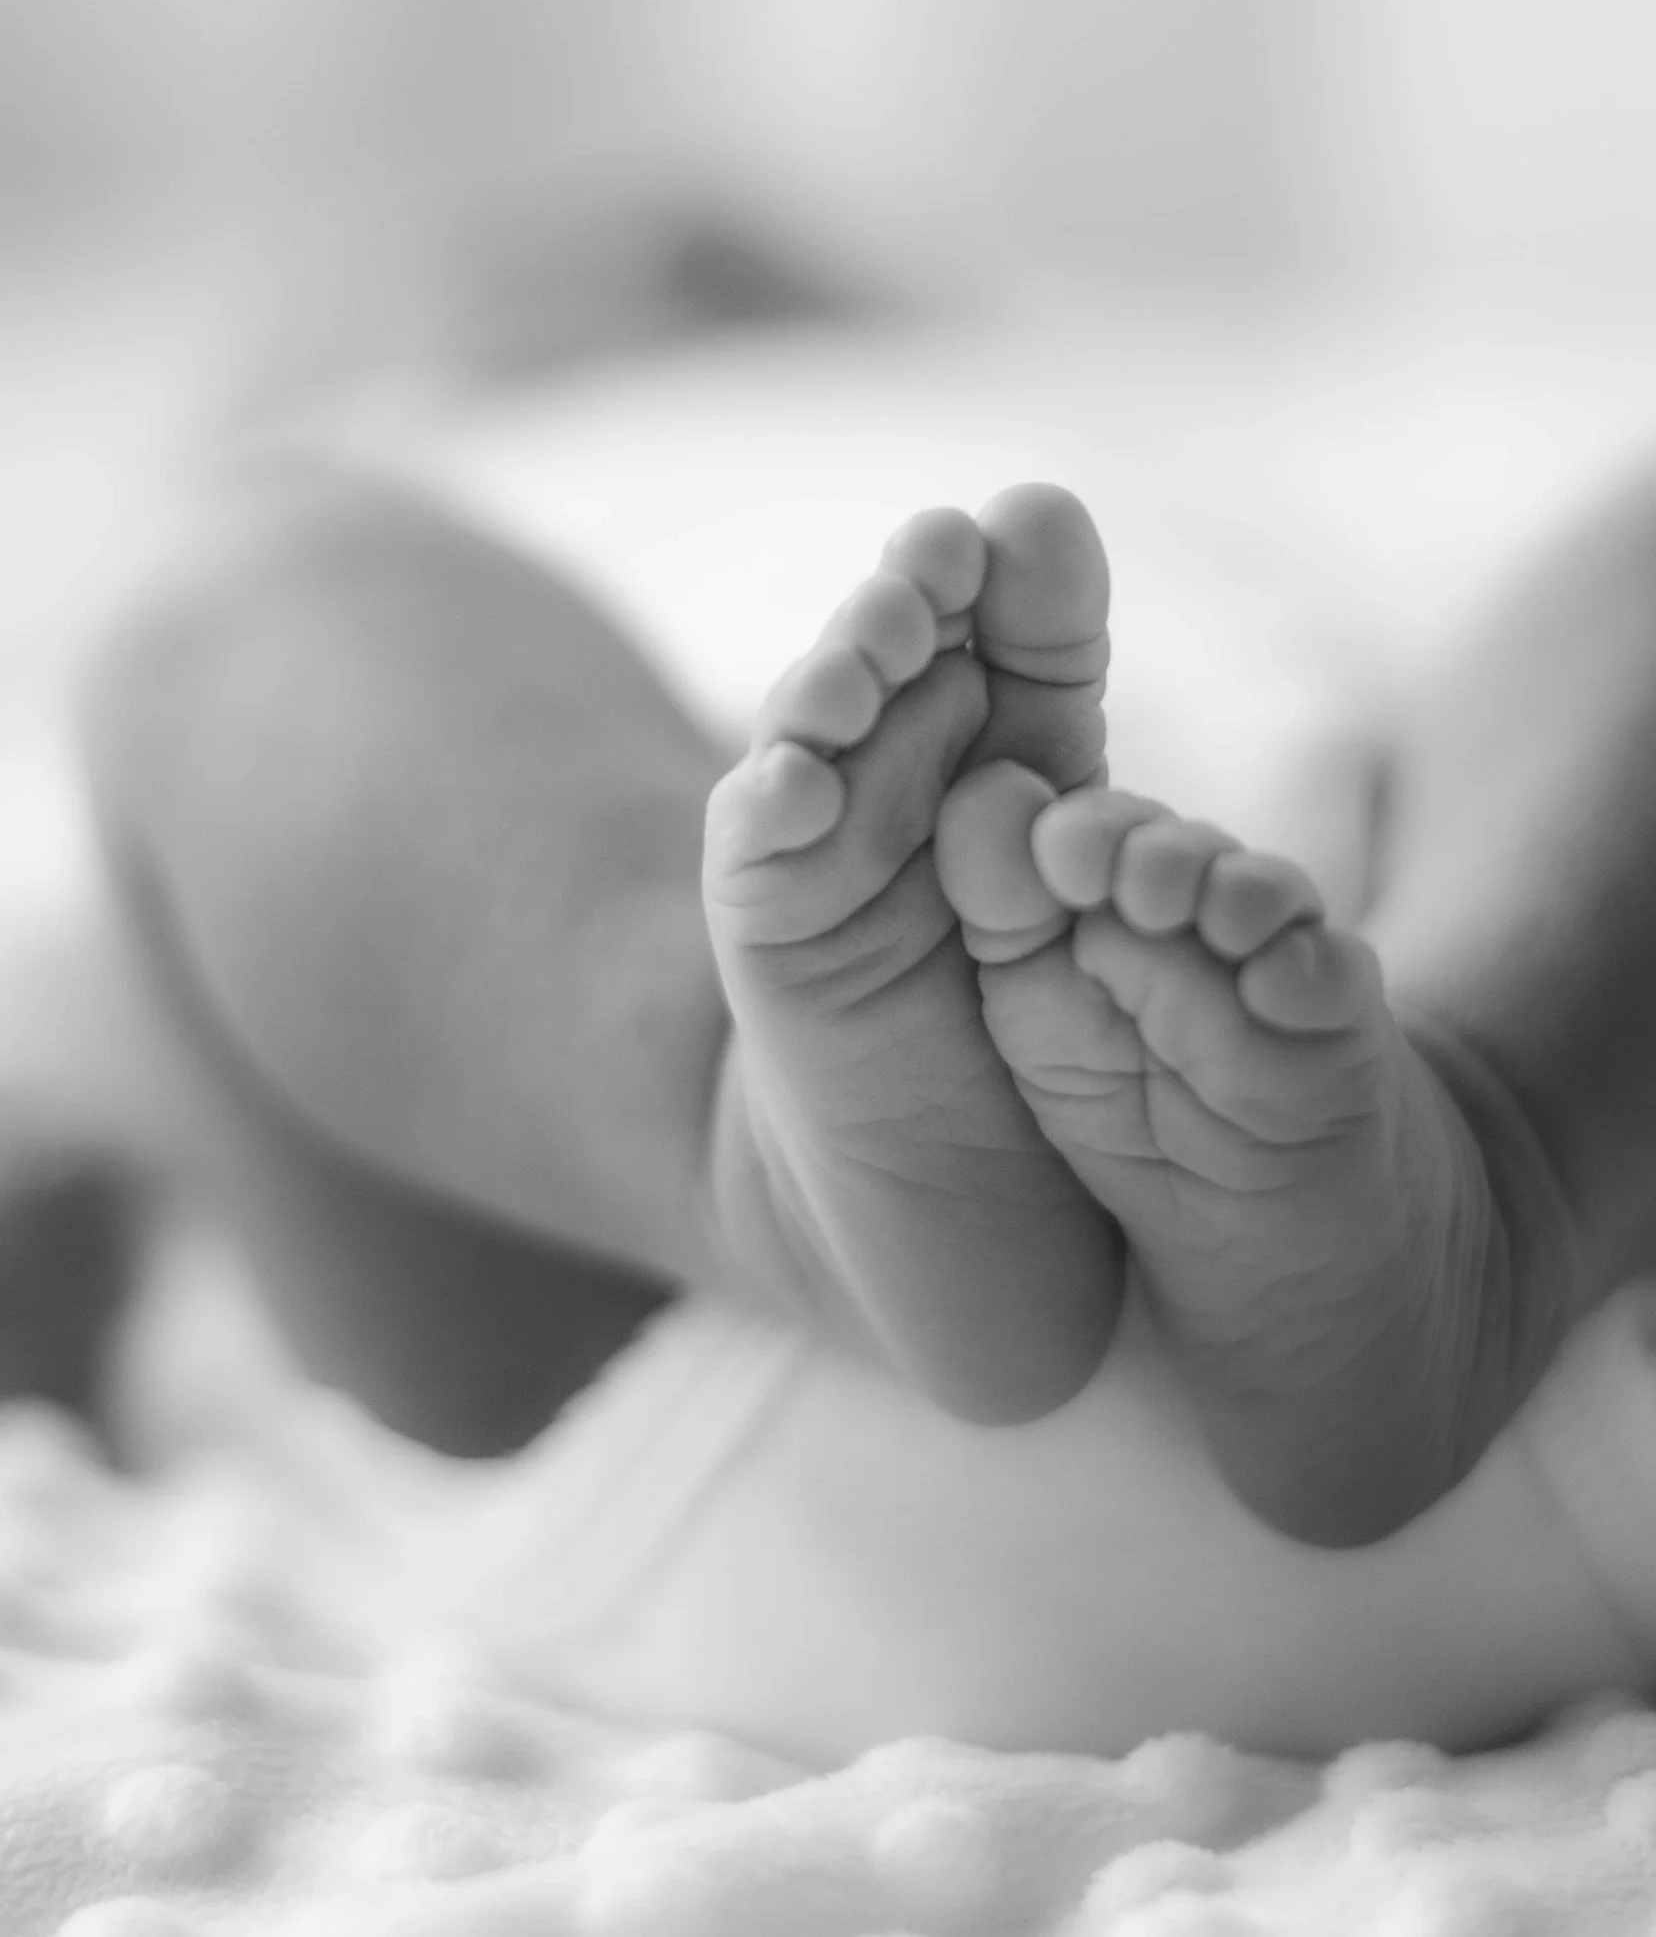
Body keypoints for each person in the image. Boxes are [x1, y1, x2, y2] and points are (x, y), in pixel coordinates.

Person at [75, 438, 1656, 1762]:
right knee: (241, 565)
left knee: (245, 607)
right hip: (655, 1306)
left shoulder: (1205, 500)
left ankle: (1485, 1149)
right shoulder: (476, 467)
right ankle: (739, 1121)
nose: (652, 262)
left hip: (1364, 1119)